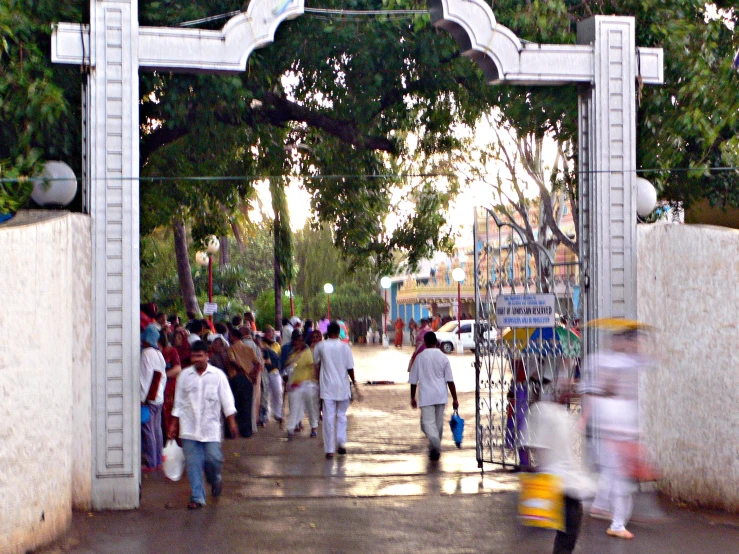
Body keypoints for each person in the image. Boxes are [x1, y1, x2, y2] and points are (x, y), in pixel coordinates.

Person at [580, 325, 648, 540]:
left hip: (621, 434)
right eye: (629, 342)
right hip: (613, 435)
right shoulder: (605, 363)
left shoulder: (623, 363)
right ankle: (617, 523)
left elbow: (650, 360)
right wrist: (585, 418)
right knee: (620, 482)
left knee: (613, 477)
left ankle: (599, 506)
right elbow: (591, 392)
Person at [168, 341, 238, 510]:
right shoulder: (184, 375)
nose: (196, 359)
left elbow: (227, 401)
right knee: (193, 464)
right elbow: (178, 402)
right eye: (194, 356)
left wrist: (232, 422)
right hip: (189, 428)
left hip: (211, 428)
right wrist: (173, 424)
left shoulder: (218, 375)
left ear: (208, 356)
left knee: (213, 460)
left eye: (200, 355)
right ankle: (197, 497)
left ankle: (215, 479)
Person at [408, 332, 459, 461]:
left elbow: (413, 380)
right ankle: (434, 447)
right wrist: (455, 398)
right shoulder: (443, 357)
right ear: (436, 342)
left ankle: (435, 443)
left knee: (427, 423)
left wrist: (412, 397)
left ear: (424, 343)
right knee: (438, 424)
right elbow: (450, 381)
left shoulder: (419, 358)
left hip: (426, 396)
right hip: (441, 395)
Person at [313, 322, 359, 459]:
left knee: (328, 417)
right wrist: (354, 381)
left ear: (327, 332)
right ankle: (341, 441)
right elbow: (350, 367)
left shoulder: (320, 346)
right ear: (339, 332)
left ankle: (329, 450)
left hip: (327, 387)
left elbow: (316, 364)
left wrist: (317, 380)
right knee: (341, 415)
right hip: (343, 387)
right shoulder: (345, 347)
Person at [225, 328, 262, 438]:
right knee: (246, 405)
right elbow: (258, 364)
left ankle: (233, 432)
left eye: (230, 336)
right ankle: (246, 431)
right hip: (248, 379)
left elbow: (232, 361)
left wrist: (241, 369)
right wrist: (253, 374)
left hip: (236, 378)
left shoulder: (231, 348)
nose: (229, 338)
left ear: (235, 337)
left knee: (234, 404)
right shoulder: (249, 348)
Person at [141, 324, 167, 473]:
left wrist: (143, 398)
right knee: (157, 429)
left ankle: (151, 462)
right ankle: (157, 460)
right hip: (159, 398)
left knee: (148, 430)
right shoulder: (159, 354)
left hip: (149, 398)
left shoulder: (146, 354)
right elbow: (160, 377)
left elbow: (145, 378)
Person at [285, 330, 320, 439]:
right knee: (294, 407)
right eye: (296, 341)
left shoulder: (307, 352)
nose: (298, 343)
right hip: (296, 385)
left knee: (311, 407)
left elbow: (313, 367)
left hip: (309, 384)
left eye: (300, 341)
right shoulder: (292, 354)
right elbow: (288, 368)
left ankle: (313, 428)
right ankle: (290, 429)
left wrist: (317, 381)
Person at [158, 331, 181, 445]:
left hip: (170, 389)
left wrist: (163, 376)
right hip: (159, 389)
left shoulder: (171, 351)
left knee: (171, 415)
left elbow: (177, 368)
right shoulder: (156, 352)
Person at [261, 328, 283, 425]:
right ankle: (266, 415)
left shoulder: (276, 345)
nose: (270, 334)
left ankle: (278, 413)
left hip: (275, 371)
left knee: (278, 392)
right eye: (268, 332)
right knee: (266, 394)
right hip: (265, 371)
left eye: (271, 332)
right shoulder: (261, 344)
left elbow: (279, 357)